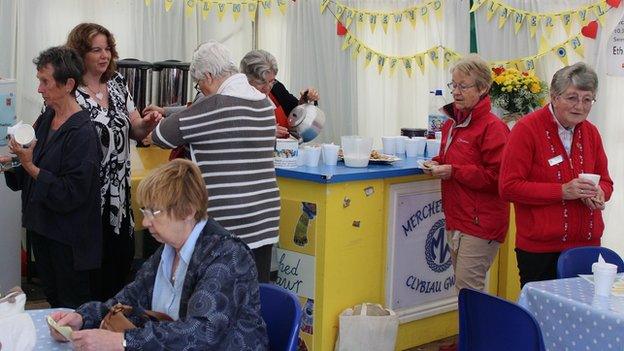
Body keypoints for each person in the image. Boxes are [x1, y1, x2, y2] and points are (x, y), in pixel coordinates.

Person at [48, 159, 269, 350]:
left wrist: (122, 342)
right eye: (145, 211)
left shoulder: (227, 256)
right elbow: (127, 300)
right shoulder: (168, 251)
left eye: (155, 212)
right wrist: (82, 318)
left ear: (189, 210)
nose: (145, 222)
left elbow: (201, 334)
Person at [151, 40, 280, 283]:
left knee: (220, 298)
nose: (199, 89)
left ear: (208, 76)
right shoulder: (264, 104)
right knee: (254, 294)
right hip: (264, 217)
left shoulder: (212, 106)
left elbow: (161, 135)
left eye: (198, 83)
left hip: (225, 222)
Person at [66, 23, 162, 300]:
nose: (104, 55)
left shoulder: (118, 84)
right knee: (88, 278)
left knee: (118, 270)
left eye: (107, 49)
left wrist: (147, 123)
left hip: (119, 199)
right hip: (86, 198)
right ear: (80, 52)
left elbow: (136, 129)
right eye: (96, 49)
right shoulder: (69, 90)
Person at [1, 46, 102, 308]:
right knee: (54, 301)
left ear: (68, 84)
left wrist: (29, 166)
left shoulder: (82, 132)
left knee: (71, 307)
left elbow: (72, 192)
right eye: (39, 81)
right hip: (42, 229)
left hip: (68, 241)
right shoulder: (47, 117)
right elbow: (33, 162)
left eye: (45, 82)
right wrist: (12, 163)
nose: (39, 89)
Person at [499, 62, 614, 287]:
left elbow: (607, 181)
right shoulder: (526, 129)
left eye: (587, 99)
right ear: (554, 97)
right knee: (544, 319)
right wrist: (561, 191)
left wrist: (601, 192)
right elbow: (508, 186)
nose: (580, 106)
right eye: (572, 98)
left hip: (586, 247)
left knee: (581, 317)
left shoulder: (591, 133)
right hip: (540, 250)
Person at [423, 54, 510, 292]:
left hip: (481, 223)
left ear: (483, 88)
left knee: (468, 290)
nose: (456, 92)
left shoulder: (494, 128)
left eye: (463, 86)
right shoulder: (452, 123)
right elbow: (456, 160)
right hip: (457, 218)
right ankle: (475, 330)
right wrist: (437, 162)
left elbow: (498, 178)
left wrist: (453, 171)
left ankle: (479, 331)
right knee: (465, 291)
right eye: (454, 85)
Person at [240, 49, 319, 138]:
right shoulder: (237, 98)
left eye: (271, 81)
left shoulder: (277, 88)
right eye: (261, 82)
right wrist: (266, 132)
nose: (267, 88)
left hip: (287, 150)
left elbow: (295, 113)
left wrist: (304, 102)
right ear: (246, 80)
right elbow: (237, 132)